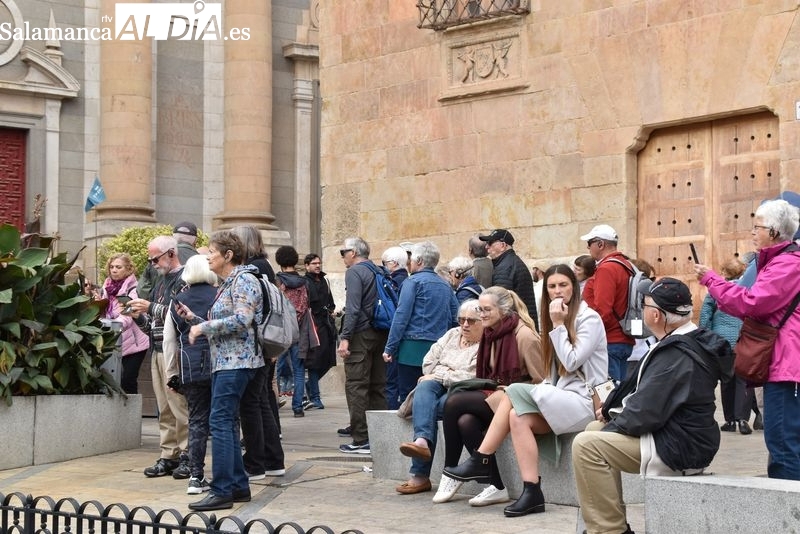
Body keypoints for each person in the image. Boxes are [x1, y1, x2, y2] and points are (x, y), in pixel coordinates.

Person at [572, 277, 733, 534]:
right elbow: (647, 401)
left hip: (681, 446)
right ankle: (610, 523)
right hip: (678, 434)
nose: (642, 309)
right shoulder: (683, 341)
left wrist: (615, 421)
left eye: (644, 304)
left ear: (656, 315)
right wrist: (612, 417)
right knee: (593, 429)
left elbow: (645, 413)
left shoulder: (676, 355)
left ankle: (609, 530)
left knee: (587, 445)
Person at [444, 265, 608, 516]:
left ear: (574, 288)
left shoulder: (589, 318)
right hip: (563, 396)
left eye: (563, 285)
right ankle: (532, 492)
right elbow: (552, 373)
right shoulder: (554, 318)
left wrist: (558, 325)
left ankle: (481, 458)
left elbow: (572, 361)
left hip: (588, 401)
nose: (557, 291)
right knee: (516, 417)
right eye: (552, 286)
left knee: (513, 391)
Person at [695, 198, 800, 480]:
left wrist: (712, 280)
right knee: (784, 443)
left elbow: (752, 302)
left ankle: (787, 518)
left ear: (775, 232)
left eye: (758, 227)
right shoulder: (782, 263)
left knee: (783, 445)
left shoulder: (788, 265)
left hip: (788, 368)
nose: (753, 232)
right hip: (786, 366)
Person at [435, 286, 545, 506]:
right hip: (495, 394)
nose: (481, 315)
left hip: (516, 399)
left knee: (454, 401)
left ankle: (450, 474)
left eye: (486, 310)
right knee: (466, 422)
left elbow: (541, 382)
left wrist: (508, 390)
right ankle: (496, 486)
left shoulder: (524, 336)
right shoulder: (490, 333)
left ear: (503, 310)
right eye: (480, 309)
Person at [183, 231, 266, 511]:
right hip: (231, 361)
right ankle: (238, 486)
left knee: (219, 422)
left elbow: (243, 320)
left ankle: (221, 490)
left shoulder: (243, 279)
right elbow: (230, 321)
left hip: (236, 363)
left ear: (228, 255)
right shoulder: (231, 282)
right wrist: (194, 319)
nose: (207, 256)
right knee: (227, 423)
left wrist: (202, 327)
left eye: (212, 252)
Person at [395, 301, 484, 495]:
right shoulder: (452, 334)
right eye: (461, 319)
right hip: (435, 385)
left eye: (471, 320)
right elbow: (428, 362)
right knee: (425, 387)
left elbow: (472, 376)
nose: (465, 325)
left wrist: (442, 373)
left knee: (432, 404)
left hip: (463, 392)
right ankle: (421, 443)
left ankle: (420, 475)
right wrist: (448, 373)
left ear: (483, 321)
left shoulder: (485, 344)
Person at [128, 236, 190, 479]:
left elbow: (182, 315)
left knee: (179, 406)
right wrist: (138, 317)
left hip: (175, 351)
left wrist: (149, 307)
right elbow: (155, 322)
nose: (152, 264)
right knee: (163, 408)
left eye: (155, 258)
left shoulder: (185, 280)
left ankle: (187, 454)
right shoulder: (161, 282)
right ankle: (169, 455)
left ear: (171, 253)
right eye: (150, 260)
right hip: (157, 348)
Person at [232, 225, 285, 481]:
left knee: (255, 403)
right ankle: (273, 459)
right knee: (262, 401)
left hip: (259, 344)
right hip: (266, 343)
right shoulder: (264, 265)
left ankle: (259, 461)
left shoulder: (254, 268)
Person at [162, 255, 217, 495]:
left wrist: (171, 374)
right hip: (220, 365)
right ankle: (229, 473)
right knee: (226, 420)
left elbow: (169, 342)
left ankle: (196, 476)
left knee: (197, 421)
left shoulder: (178, 301)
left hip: (190, 366)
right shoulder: (220, 295)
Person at [383, 242, 459, 412]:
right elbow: (456, 318)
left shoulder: (412, 282)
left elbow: (401, 317)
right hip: (438, 348)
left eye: (411, 259)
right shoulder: (445, 285)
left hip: (411, 348)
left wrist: (390, 347)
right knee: (430, 396)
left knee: (408, 396)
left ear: (419, 260)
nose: (409, 263)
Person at [337, 237, 389, 454]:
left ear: (354, 253)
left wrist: (345, 337)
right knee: (378, 385)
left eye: (343, 252)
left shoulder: (355, 272)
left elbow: (353, 308)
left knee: (357, 385)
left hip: (361, 334)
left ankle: (361, 439)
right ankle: (380, 435)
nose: (342, 256)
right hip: (381, 332)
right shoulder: (378, 270)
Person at [699, 257, 751, 435]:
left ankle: (730, 421)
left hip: (721, 342)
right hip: (744, 340)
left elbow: (705, 317)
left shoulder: (715, 290)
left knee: (727, 381)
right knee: (743, 380)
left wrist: (703, 338)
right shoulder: (747, 289)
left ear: (724, 273)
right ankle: (743, 419)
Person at [580, 224, 635, 383]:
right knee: (619, 394)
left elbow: (602, 311)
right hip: (623, 338)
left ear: (600, 244)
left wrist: (587, 336)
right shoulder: (626, 264)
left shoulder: (607, 268)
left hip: (609, 340)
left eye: (589, 243)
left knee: (608, 395)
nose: (588, 248)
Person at [93, 253, 149, 395]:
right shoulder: (106, 288)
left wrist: (112, 325)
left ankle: (131, 412)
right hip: (115, 339)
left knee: (128, 379)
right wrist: (97, 305)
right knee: (113, 378)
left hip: (136, 343)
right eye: (112, 267)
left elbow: (129, 316)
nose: (114, 270)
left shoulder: (132, 289)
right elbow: (104, 315)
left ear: (128, 269)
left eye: (118, 267)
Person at [275, 245, 317, 418]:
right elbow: (307, 305)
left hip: (282, 331)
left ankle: (275, 401)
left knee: (276, 368)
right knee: (299, 370)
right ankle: (298, 407)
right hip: (299, 330)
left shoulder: (277, 281)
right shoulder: (304, 282)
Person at [479, 229, 538, 329]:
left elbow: (500, 304)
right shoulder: (509, 262)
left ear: (503, 246)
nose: (486, 247)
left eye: (490, 243)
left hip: (513, 328)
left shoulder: (505, 267)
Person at [304, 253, 337, 410]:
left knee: (329, 360)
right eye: (314, 263)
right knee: (314, 362)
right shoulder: (305, 282)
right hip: (313, 325)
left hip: (326, 324)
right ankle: (315, 397)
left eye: (319, 263)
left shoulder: (325, 281)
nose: (317, 266)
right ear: (307, 265)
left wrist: (330, 312)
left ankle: (310, 385)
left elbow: (331, 303)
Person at [381, 245, 409, 409]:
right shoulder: (409, 281)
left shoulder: (393, 283)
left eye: (385, 262)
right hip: (408, 338)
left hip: (395, 337)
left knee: (391, 383)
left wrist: (390, 346)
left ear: (393, 263)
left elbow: (399, 316)